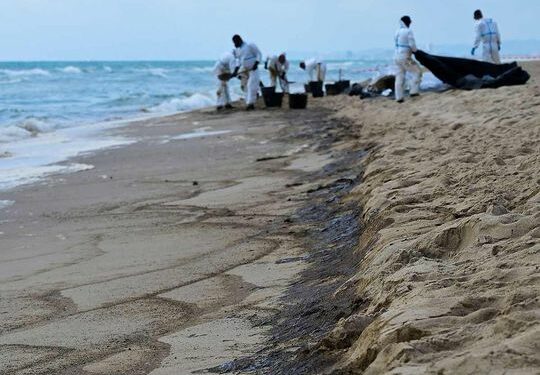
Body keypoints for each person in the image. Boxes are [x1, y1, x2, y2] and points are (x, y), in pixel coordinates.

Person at [394, 15, 422, 103]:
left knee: (399, 76)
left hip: (396, 57)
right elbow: (412, 45)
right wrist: (417, 52)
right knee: (417, 71)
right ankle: (413, 91)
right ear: (407, 22)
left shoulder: (397, 31)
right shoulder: (408, 31)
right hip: (405, 58)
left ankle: (399, 97)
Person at [231, 35, 262, 110]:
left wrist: (256, 64)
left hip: (253, 69)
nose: (234, 44)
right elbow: (238, 62)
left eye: (235, 42)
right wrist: (235, 72)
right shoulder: (238, 50)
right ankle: (249, 102)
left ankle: (250, 104)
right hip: (245, 70)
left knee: (252, 85)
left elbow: (259, 54)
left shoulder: (250, 45)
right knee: (246, 86)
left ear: (239, 40)